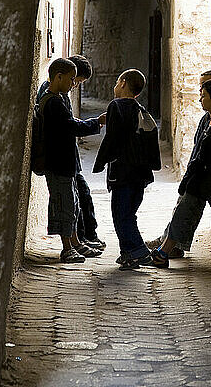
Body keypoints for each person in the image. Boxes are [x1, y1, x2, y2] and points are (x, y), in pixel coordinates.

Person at [150, 73, 211, 268]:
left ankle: (163, 253)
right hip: (197, 181)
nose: (200, 99)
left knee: (182, 215)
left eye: (203, 95)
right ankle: (167, 249)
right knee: (182, 213)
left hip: (200, 183)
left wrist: (188, 180)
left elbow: (204, 161)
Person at [93, 69, 160, 270]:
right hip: (140, 174)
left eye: (116, 82)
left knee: (121, 214)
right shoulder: (141, 110)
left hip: (123, 171)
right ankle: (128, 254)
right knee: (129, 213)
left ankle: (139, 252)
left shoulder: (116, 106)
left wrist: (100, 162)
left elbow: (112, 138)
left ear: (122, 83)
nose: (114, 86)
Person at [37, 55, 106, 251]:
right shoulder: (52, 101)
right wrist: (97, 122)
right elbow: (69, 126)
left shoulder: (59, 98)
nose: (74, 85)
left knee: (74, 203)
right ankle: (68, 248)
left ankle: (77, 242)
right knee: (65, 205)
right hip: (58, 163)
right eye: (72, 80)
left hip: (66, 162)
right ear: (59, 77)